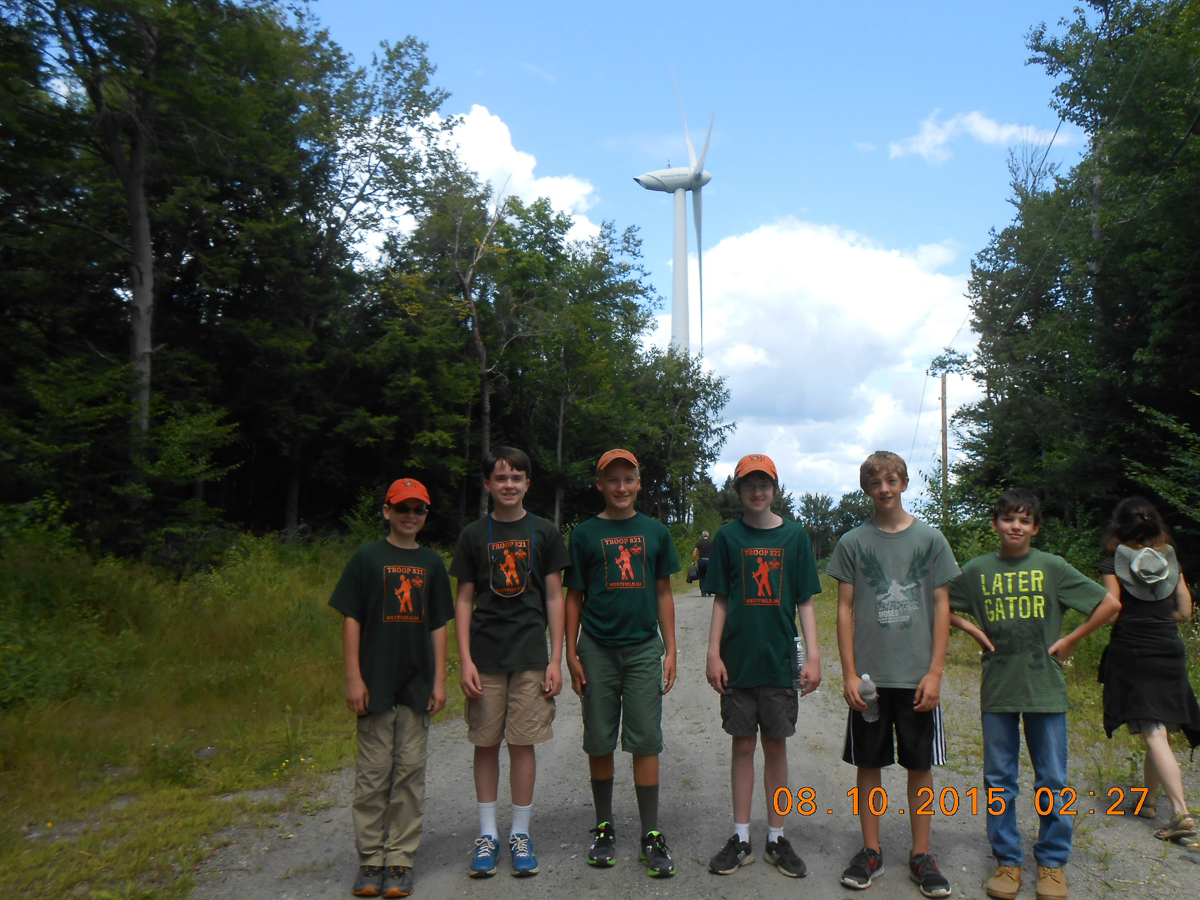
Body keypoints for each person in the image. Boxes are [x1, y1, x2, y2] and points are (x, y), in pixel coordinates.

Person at [948, 488, 1119, 900]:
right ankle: (1007, 861)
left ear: (1035, 528)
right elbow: (935, 601)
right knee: (999, 780)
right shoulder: (976, 571)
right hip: (999, 688)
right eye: (1009, 518)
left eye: (1024, 520)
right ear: (995, 524)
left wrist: (1072, 640)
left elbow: (1109, 604)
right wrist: (970, 627)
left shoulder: (1052, 567)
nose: (1016, 526)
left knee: (1053, 780)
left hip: (1045, 687)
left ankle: (1052, 862)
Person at [827, 450, 960, 898]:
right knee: (869, 763)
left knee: (919, 765)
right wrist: (848, 672)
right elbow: (843, 609)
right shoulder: (852, 542)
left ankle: (921, 855)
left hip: (917, 675)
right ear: (866, 489)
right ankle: (871, 850)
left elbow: (943, 606)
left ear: (904, 483)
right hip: (870, 679)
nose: (884, 489)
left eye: (891, 480)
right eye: (875, 482)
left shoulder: (930, 539)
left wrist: (936, 672)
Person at [329, 478, 454, 899]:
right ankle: (370, 860)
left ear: (425, 516)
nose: (410, 516)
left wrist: (439, 679)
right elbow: (351, 619)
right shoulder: (367, 559)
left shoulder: (433, 563)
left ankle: (399, 859)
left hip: (417, 684)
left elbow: (438, 624)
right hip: (376, 683)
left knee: (409, 772)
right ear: (386, 511)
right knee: (372, 775)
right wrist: (353, 676)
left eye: (418, 509)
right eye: (403, 508)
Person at [450, 447, 571, 878]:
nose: (508, 484)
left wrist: (556, 659)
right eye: (500, 478)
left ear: (527, 484)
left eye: (516, 477)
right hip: (484, 656)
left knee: (522, 744)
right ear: (487, 485)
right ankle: (488, 834)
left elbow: (555, 596)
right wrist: (463, 659)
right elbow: (463, 600)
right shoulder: (472, 536)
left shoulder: (544, 532)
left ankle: (520, 832)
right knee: (485, 742)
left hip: (530, 657)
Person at [703, 454, 822, 879]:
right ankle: (740, 837)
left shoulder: (794, 537)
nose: (757, 491)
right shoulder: (728, 538)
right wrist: (713, 652)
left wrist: (813, 655)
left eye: (764, 484)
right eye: (749, 484)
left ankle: (776, 836)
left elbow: (805, 600)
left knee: (776, 746)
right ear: (738, 490)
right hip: (738, 662)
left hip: (778, 662)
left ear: (775, 488)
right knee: (742, 746)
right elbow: (720, 598)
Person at [565, 448, 681, 877]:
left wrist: (671, 649)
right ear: (600, 484)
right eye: (612, 480)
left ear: (638, 483)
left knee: (646, 738)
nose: (621, 487)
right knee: (599, 738)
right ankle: (603, 826)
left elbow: (665, 592)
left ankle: (651, 834)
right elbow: (573, 595)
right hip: (596, 647)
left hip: (642, 648)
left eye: (628, 479)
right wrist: (569, 650)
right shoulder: (584, 535)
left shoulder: (655, 532)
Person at [1097, 497, 1200, 842]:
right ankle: (1149, 803)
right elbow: (1186, 612)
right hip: (1169, 649)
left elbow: (1112, 611)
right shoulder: (1170, 560)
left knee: (1154, 732)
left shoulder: (1113, 562)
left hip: (1135, 652)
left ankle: (1181, 812)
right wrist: (1158, 618)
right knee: (1160, 731)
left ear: (1119, 526)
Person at [693, 530, 714, 596]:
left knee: (702, 576)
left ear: (702, 536)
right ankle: (710, 591)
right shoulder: (712, 542)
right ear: (708, 535)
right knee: (710, 576)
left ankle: (703, 591)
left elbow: (695, 551)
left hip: (701, 561)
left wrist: (693, 560)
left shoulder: (699, 542)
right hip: (710, 561)